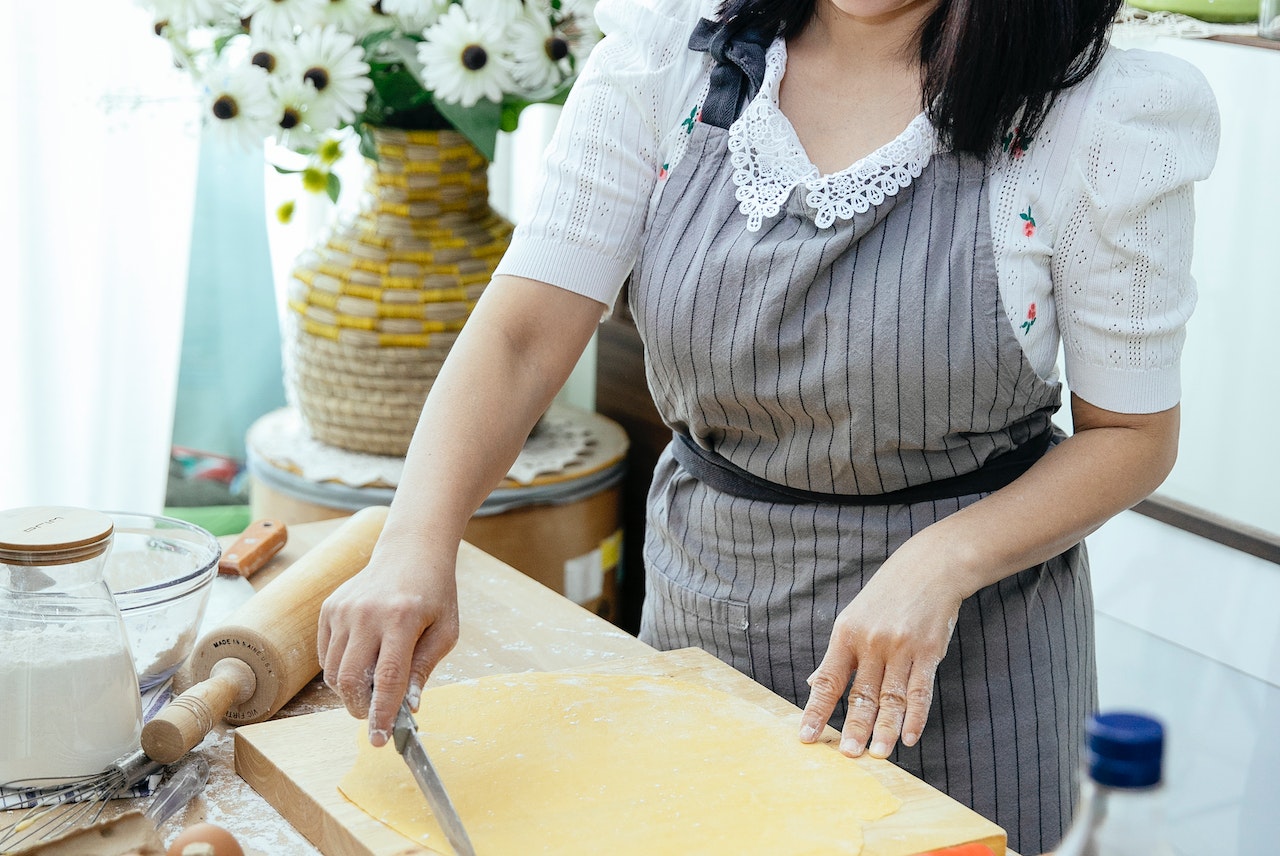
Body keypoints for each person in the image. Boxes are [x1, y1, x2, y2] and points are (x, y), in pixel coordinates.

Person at [317, 0, 1219, 850]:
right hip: (702, 632)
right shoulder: (669, 54)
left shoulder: (1097, 118)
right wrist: (413, 541)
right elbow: (522, 335)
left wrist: (941, 562)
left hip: (963, 667)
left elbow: (1131, 437)